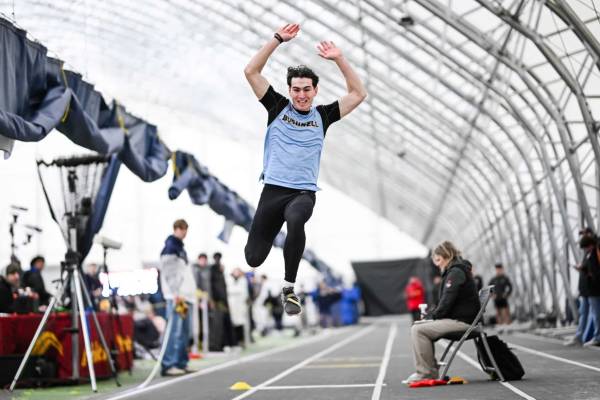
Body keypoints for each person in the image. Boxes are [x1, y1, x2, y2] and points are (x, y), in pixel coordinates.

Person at [243, 23, 367, 316]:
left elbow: (358, 93)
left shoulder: (323, 116)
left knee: (296, 221)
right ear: (289, 90)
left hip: (302, 192)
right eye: (296, 90)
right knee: (253, 258)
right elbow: (251, 72)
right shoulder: (277, 107)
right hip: (272, 191)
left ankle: (289, 287)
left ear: (315, 91)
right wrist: (276, 40)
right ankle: (274, 264)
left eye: (306, 90)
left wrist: (339, 59)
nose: (301, 95)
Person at [403, 241, 479, 384]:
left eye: (438, 260)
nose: (437, 264)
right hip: (461, 319)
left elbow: (446, 303)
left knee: (418, 329)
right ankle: (428, 370)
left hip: (463, 322)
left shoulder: (455, 273)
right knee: (419, 326)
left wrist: (432, 316)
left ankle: (426, 373)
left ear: (447, 256)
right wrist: (432, 316)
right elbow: (446, 303)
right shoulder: (455, 271)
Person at [158, 219, 196, 376]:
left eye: (186, 228)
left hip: (186, 297)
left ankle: (181, 362)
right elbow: (169, 273)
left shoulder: (181, 248)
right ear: (175, 229)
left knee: (185, 332)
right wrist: (175, 294)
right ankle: (168, 365)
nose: (184, 231)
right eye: (181, 228)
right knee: (173, 332)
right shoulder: (171, 247)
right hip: (177, 297)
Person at [565, 229, 600, 346]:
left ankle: (597, 337)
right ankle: (581, 336)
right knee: (584, 313)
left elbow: (595, 271)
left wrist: (588, 272)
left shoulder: (595, 251)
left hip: (594, 289)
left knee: (596, 314)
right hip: (587, 290)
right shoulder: (589, 253)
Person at [227, 267, 250, 347]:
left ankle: (241, 340)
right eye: (235, 271)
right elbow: (229, 290)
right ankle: (234, 342)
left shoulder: (243, 280)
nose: (236, 273)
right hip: (232, 304)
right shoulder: (228, 279)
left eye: (238, 271)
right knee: (232, 323)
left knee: (241, 323)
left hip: (240, 304)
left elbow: (244, 292)